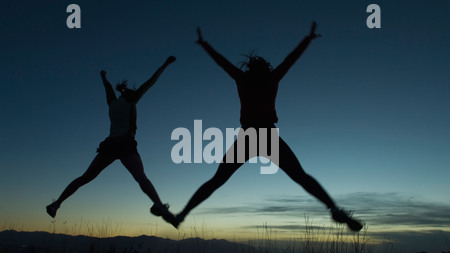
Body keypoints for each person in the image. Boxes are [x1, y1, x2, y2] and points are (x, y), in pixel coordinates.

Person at [173, 23, 363, 231]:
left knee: (217, 180)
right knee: (300, 176)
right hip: (267, 135)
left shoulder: (243, 78)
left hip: (248, 137)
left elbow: (222, 62)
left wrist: (204, 44)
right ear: (266, 68)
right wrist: (307, 39)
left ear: (250, 68)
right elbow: (290, 59)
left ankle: (182, 214)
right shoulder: (272, 78)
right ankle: (334, 208)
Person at [46, 56, 177, 225]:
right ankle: (158, 204)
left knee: (85, 177)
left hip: (110, 144)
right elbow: (150, 82)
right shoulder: (132, 101)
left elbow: (107, 88)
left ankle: (56, 204)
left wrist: (104, 77)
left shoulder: (112, 104)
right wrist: (165, 64)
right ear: (131, 96)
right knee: (140, 177)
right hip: (125, 144)